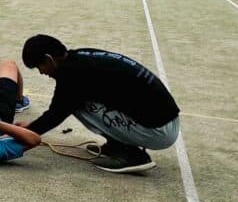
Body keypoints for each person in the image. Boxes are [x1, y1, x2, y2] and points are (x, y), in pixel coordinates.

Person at [19, 34, 181, 174]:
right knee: (78, 98)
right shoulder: (79, 56)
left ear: (49, 59)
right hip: (166, 119)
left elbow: (55, 115)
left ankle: (132, 155)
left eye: (40, 67)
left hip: (159, 130)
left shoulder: (71, 75)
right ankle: (116, 144)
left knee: (77, 104)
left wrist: (24, 133)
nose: (42, 72)